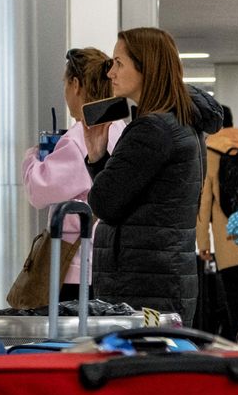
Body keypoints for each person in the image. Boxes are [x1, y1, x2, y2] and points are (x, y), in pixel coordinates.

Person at [84, 27, 224, 321]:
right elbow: (131, 195)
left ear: (146, 67)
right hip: (162, 280)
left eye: (119, 63)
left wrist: (98, 160)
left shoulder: (152, 130)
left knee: (137, 363)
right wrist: (98, 157)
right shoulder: (182, 123)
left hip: (142, 287)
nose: (111, 73)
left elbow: (104, 202)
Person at [20, 46, 123, 302]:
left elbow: (39, 190)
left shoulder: (79, 137)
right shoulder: (121, 128)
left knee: (74, 340)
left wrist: (32, 157)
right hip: (111, 260)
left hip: (76, 266)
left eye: (66, 84)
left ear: (76, 84)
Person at [197, 104, 238, 338]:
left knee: (235, 304)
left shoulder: (209, 154)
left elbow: (205, 201)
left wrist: (203, 242)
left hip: (227, 239)